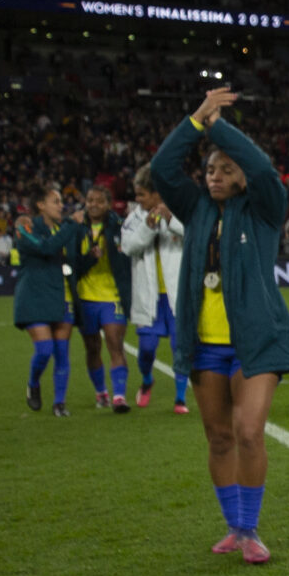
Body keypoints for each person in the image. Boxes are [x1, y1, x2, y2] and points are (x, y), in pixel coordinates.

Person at [148, 87, 289, 564]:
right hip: (205, 344)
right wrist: (196, 119)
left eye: (225, 170)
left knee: (250, 432)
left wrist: (220, 129)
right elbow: (161, 170)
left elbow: (262, 169)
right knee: (218, 437)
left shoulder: (264, 208)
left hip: (256, 342)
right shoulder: (194, 208)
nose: (215, 176)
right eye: (210, 169)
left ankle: (251, 530)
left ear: (240, 178)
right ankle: (233, 528)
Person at [121, 170, 191, 414]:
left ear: (156, 194)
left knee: (179, 347)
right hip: (148, 296)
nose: (138, 199)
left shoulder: (180, 210)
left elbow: (193, 233)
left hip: (177, 295)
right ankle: (147, 379)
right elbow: (128, 247)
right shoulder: (134, 219)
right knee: (147, 348)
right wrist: (148, 227)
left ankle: (180, 398)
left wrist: (170, 219)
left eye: (142, 194)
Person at [10, 182, 81, 416]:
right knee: (44, 350)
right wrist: (71, 225)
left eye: (61, 201)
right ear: (40, 205)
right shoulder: (26, 227)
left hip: (61, 295)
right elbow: (47, 248)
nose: (62, 206)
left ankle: (59, 403)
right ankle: (33, 383)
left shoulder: (62, 228)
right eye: (56, 201)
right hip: (34, 296)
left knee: (62, 352)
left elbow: (72, 258)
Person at [70, 185, 136, 413]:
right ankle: (101, 392)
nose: (93, 205)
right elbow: (72, 264)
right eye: (89, 200)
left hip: (113, 295)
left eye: (99, 201)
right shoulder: (77, 228)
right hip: (86, 295)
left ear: (108, 204)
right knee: (92, 348)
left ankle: (119, 396)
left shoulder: (120, 226)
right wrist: (90, 258)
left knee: (115, 343)